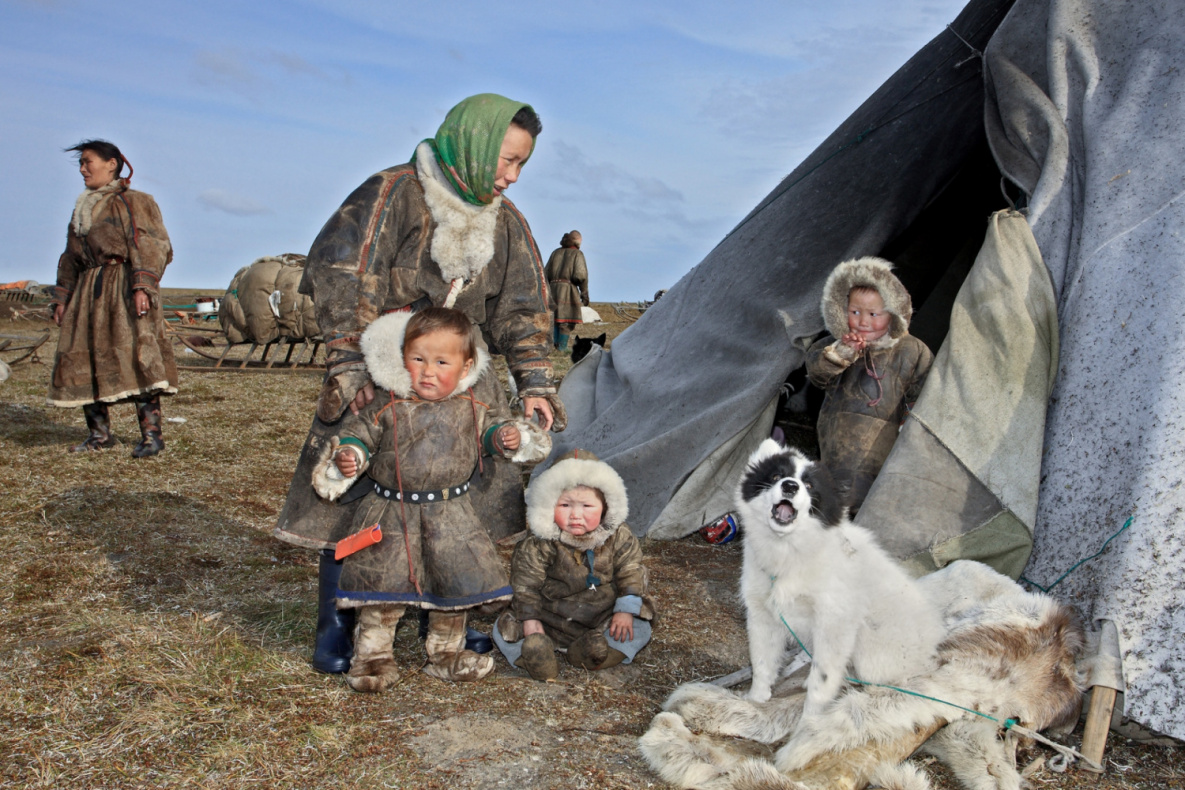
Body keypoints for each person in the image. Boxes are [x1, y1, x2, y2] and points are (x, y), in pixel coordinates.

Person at [274, 93, 565, 675]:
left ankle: (458, 611)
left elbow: (522, 308)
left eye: (521, 164)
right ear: (475, 144)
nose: (511, 176)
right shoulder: (392, 193)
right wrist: (352, 367)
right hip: (386, 368)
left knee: (472, 500)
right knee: (354, 494)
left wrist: (534, 381)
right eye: (506, 159)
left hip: (466, 376)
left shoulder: (506, 221)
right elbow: (344, 277)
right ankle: (339, 620)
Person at [311, 308, 550, 691]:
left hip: (451, 515)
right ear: (402, 356)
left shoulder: (473, 405)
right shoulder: (386, 403)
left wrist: (505, 437)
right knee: (383, 590)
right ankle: (372, 659)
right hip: (391, 513)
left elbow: (491, 432)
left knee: (453, 587)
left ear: (466, 365)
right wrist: (350, 456)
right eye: (417, 359)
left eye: (441, 362)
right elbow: (360, 435)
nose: (427, 371)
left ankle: (446, 655)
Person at [48, 140, 178, 458]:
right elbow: (70, 257)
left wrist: (142, 286)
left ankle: (152, 437)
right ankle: (99, 435)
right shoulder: (83, 208)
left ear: (111, 164)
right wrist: (63, 297)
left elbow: (151, 243)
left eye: (87, 161)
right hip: (87, 291)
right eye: (81, 163)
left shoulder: (134, 201)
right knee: (86, 357)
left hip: (123, 286)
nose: (82, 169)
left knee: (137, 355)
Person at [493, 449, 655, 681]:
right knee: (504, 628)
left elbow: (631, 570)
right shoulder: (540, 542)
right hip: (550, 618)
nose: (575, 515)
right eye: (565, 505)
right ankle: (537, 658)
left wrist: (625, 610)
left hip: (602, 618)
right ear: (549, 505)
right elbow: (525, 584)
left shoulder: (619, 536)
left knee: (640, 627)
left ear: (606, 506)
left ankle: (594, 655)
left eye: (587, 506)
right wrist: (530, 619)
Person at [804, 256, 933, 513]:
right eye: (855, 312)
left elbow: (925, 390)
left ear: (894, 313)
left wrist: (911, 424)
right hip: (839, 435)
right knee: (837, 491)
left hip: (886, 437)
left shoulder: (912, 349)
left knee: (877, 492)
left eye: (874, 314)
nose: (863, 322)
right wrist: (841, 354)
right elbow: (817, 375)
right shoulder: (834, 345)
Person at [544, 230, 589, 352]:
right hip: (568, 290)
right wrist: (584, 294)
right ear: (577, 241)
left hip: (552, 289)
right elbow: (580, 275)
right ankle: (562, 347)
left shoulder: (555, 253)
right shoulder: (577, 254)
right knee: (566, 320)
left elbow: (545, 272)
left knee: (554, 319)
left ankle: (553, 346)